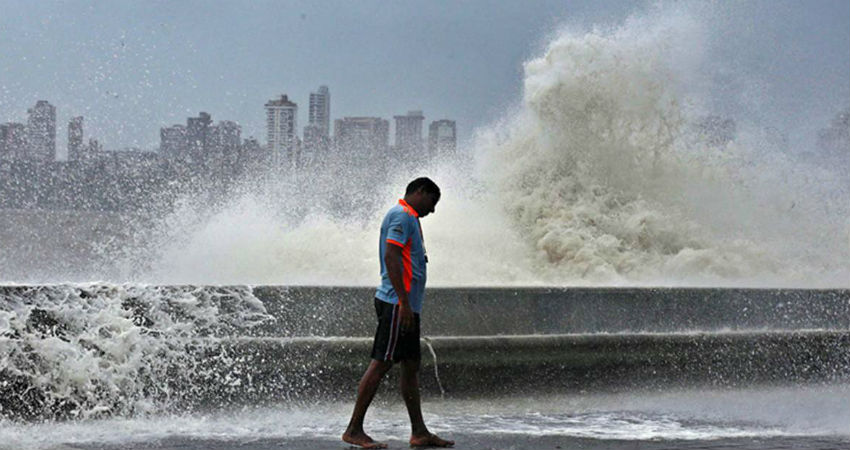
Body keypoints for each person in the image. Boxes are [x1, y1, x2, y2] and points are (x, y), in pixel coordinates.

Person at [342, 177, 454, 449]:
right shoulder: (401, 215)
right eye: (432, 201)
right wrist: (403, 302)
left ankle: (419, 432)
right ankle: (354, 429)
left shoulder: (411, 218)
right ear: (420, 192)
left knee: (411, 366)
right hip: (396, 304)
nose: (433, 209)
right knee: (381, 363)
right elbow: (391, 256)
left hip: (406, 306)